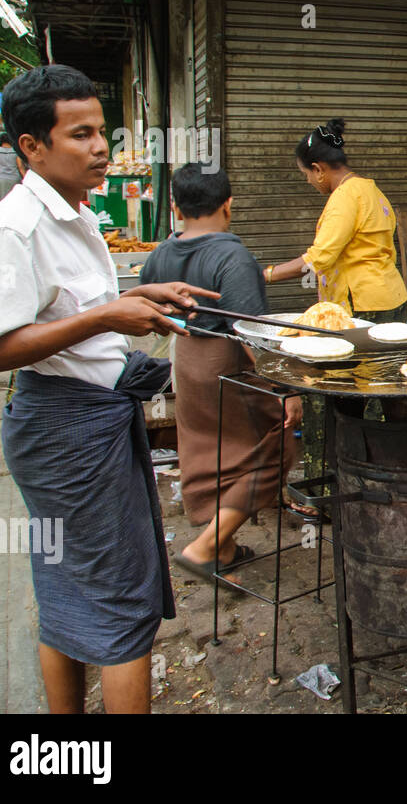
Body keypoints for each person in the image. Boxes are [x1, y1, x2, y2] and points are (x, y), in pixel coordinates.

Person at [0, 64, 217, 713]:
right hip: (65, 430)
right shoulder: (14, 230)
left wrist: (133, 297)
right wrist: (105, 317)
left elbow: (60, 313)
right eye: (81, 134)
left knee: (69, 588)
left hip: (88, 416)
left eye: (101, 131)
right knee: (121, 602)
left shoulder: (72, 212)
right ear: (32, 146)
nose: (101, 146)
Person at [142, 164, 302, 584]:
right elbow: (252, 333)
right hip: (225, 362)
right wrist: (286, 389)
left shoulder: (161, 253)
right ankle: (207, 546)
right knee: (274, 447)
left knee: (211, 449)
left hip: (186, 359)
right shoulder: (233, 256)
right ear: (229, 205)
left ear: (175, 206)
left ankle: (225, 547)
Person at [265, 117, 407, 322]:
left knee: (360, 355)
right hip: (391, 295)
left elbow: (319, 258)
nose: (308, 181)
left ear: (318, 169)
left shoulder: (345, 196)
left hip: (365, 305)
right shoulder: (371, 189)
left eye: (306, 174)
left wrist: (268, 274)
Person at [0, 131, 24, 200]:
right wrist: (25, 177)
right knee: (15, 199)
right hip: (15, 178)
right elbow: (20, 166)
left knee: (2, 200)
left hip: (1, 178)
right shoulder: (15, 151)